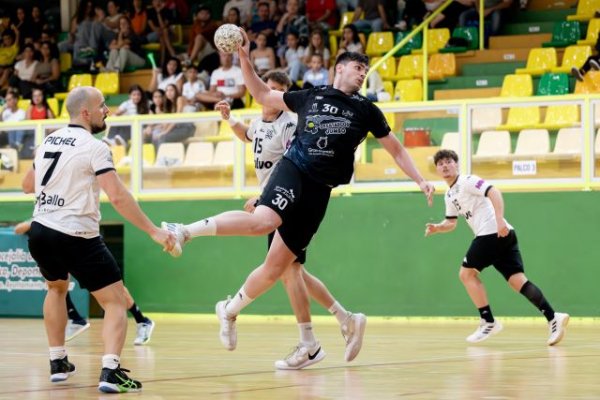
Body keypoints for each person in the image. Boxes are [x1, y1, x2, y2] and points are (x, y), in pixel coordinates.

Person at [162, 29, 435, 370]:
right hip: (294, 170)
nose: (362, 73)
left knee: (281, 268)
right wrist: (245, 57)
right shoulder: (311, 96)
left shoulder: (367, 110)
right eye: (356, 68)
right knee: (265, 222)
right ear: (339, 70)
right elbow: (261, 92)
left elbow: (395, 149)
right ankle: (184, 231)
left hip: (320, 191)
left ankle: (239, 314)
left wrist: (421, 179)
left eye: (365, 70)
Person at [22, 86, 174, 392]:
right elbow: (117, 196)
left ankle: (58, 361)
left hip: (40, 230)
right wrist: (153, 230)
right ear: (85, 112)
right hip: (76, 234)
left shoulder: (48, 140)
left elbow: (28, 185)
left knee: (55, 289)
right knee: (116, 302)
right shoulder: (95, 146)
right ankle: (110, 372)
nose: (108, 110)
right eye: (103, 105)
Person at [213, 70, 367, 365]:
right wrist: (230, 119)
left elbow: (291, 164)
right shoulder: (260, 123)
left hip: (284, 201)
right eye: (268, 88)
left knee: (286, 271)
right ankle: (334, 326)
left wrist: (264, 197)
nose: (270, 94)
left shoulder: (291, 125)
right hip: (276, 199)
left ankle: (235, 312)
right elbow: (248, 135)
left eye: (277, 91)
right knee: (292, 271)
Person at [424, 149, 569, 345]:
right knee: (517, 281)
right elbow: (451, 222)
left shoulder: (467, 181)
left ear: (456, 164)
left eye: (449, 161)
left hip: (492, 231)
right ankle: (554, 317)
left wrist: (499, 219)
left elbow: (494, 191)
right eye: (440, 163)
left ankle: (488, 321)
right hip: (502, 235)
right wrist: (438, 228)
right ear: (437, 169)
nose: (445, 166)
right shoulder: (449, 195)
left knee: (466, 274)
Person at [15, 217, 157, 346]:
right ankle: (75, 319)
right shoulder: (47, 208)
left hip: (84, 239)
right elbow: (20, 227)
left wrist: (31, 224)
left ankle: (142, 321)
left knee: (111, 289)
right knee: (58, 283)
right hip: (62, 238)